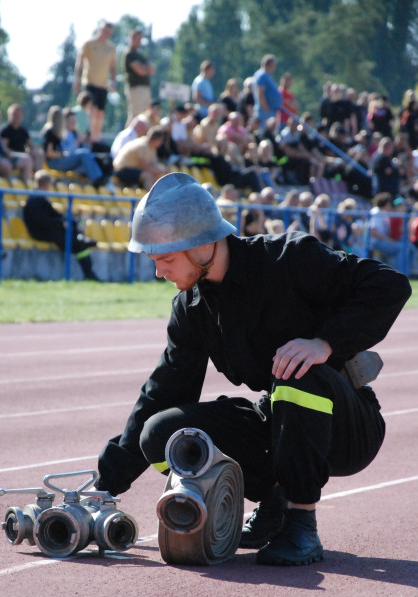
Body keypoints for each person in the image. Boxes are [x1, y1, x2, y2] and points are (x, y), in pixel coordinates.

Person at [92, 172, 411, 566]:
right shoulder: (191, 308)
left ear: (204, 244)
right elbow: (164, 390)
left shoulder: (289, 259)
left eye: (166, 259)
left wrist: (324, 344)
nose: (159, 272)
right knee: (160, 433)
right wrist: (103, 490)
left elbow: (390, 285)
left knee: (296, 369)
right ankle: (274, 500)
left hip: (346, 425)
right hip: (278, 421)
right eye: (154, 261)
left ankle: (301, 524)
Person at [22, 170, 99, 280]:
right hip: (40, 232)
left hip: (50, 230)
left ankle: (82, 246)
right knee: (74, 241)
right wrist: (61, 223)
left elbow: (57, 216)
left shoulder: (41, 199)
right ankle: (82, 245)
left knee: (76, 239)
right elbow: (42, 222)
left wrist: (75, 223)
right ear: (47, 184)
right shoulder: (34, 201)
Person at [73, 20, 117, 144]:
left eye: (109, 32)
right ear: (100, 29)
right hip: (90, 82)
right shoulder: (89, 44)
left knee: (100, 113)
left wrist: (114, 81)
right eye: (105, 31)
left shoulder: (111, 47)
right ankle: (88, 136)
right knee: (89, 111)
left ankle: (96, 138)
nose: (106, 34)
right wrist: (77, 78)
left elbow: (113, 67)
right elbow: (79, 61)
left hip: (103, 85)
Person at [41, 105, 105, 185]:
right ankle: (96, 179)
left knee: (90, 155)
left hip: (60, 160)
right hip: (54, 163)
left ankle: (100, 178)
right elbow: (49, 153)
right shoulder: (50, 131)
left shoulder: (61, 132)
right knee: (83, 154)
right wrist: (62, 154)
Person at [112, 126, 166, 190]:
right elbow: (144, 166)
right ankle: (151, 198)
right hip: (121, 170)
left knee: (157, 175)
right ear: (157, 139)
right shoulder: (143, 145)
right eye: (160, 141)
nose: (161, 144)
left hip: (132, 169)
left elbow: (153, 164)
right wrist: (160, 171)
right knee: (147, 176)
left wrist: (162, 171)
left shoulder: (151, 147)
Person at [0, 103, 44, 174]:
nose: (16, 117)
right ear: (9, 115)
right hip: (11, 157)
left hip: (22, 155)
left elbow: (31, 146)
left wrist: (33, 152)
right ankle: (25, 180)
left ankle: (38, 177)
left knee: (39, 154)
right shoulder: (5, 130)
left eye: (18, 115)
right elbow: (4, 149)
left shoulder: (23, 131)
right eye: (14, 114)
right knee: (27, 159)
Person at [124, 29, 156, 126]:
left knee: (145, 114)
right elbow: (140, 71)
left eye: (139, 39)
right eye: (136, 38)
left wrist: (145, 68)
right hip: (135, 88)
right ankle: (127, 136)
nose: (138, 41)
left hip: (145, 87)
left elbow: (153, 70)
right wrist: (146, 69)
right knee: (135, 115)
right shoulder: (130, 54)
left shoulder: (140, 55)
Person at [252, 54, 282, 129]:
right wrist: (267, 109)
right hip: (264, 112)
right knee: (265, 131)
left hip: (270, 111)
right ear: (269, 65)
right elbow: (260, 93)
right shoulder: (261, 75)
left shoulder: (266, 75)